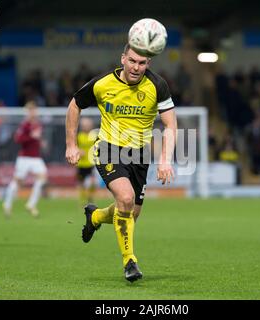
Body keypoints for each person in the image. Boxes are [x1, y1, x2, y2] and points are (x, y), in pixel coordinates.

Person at [65, 43, 177, 282]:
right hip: (108, 149)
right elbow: (75, 105)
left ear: (149, 64)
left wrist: (165, 160)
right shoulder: (102, 83)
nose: (137, 67)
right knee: (125, 199)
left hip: (139, 155)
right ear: (123, 58)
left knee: (131, 213)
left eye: (142, 63)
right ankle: (130, 262)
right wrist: (71, 144)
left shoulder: (157, 85)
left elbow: (170, 124)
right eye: (133, 61)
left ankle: (94, 217)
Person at [2, 101, 47, 217]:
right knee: (18, 182)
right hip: (25, 158)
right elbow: (18, 139)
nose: (33, 113)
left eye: (34, 110)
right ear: (27, 112)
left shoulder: (38, 124)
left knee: (42, 177)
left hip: (36, 157)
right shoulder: (25, 125)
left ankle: (31, 204)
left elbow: (36, 138)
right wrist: (31, 136)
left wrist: (41, 142)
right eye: (31, 111)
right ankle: (7, 204)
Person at [76, 117, 97, 205]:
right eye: (84, 125)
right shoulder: (79, 136)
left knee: (93, 182)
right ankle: (82, 200)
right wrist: (79, 151)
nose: (86, 126)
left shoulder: (94, 136)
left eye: (87, 125)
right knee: (81, 184)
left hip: (91, 163)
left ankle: (90, 198)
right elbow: (74, 148)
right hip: (81, 164)